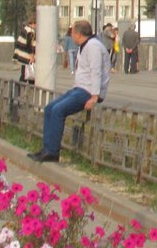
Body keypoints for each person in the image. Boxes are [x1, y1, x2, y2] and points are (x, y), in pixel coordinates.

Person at [27, 20, 110, 164]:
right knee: (49, 108)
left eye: (72, 33)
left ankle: (53, 152)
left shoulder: (94, 47)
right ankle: (46, 149)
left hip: (88, 91)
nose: (71, 36)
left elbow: (96, 72)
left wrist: (95, 97)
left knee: (59, 110)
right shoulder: (85, 46)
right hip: (80, 88)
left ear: (78, 34)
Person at [13, 17, 36, 83]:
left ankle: (20, 89)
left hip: (22, 56)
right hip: (26, 56)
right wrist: (31, 56)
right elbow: (29, 45)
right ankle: (22, 90)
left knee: (24, 74)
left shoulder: (25, 30)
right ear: (33, 23)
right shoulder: (30, 32)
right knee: (27, 76)